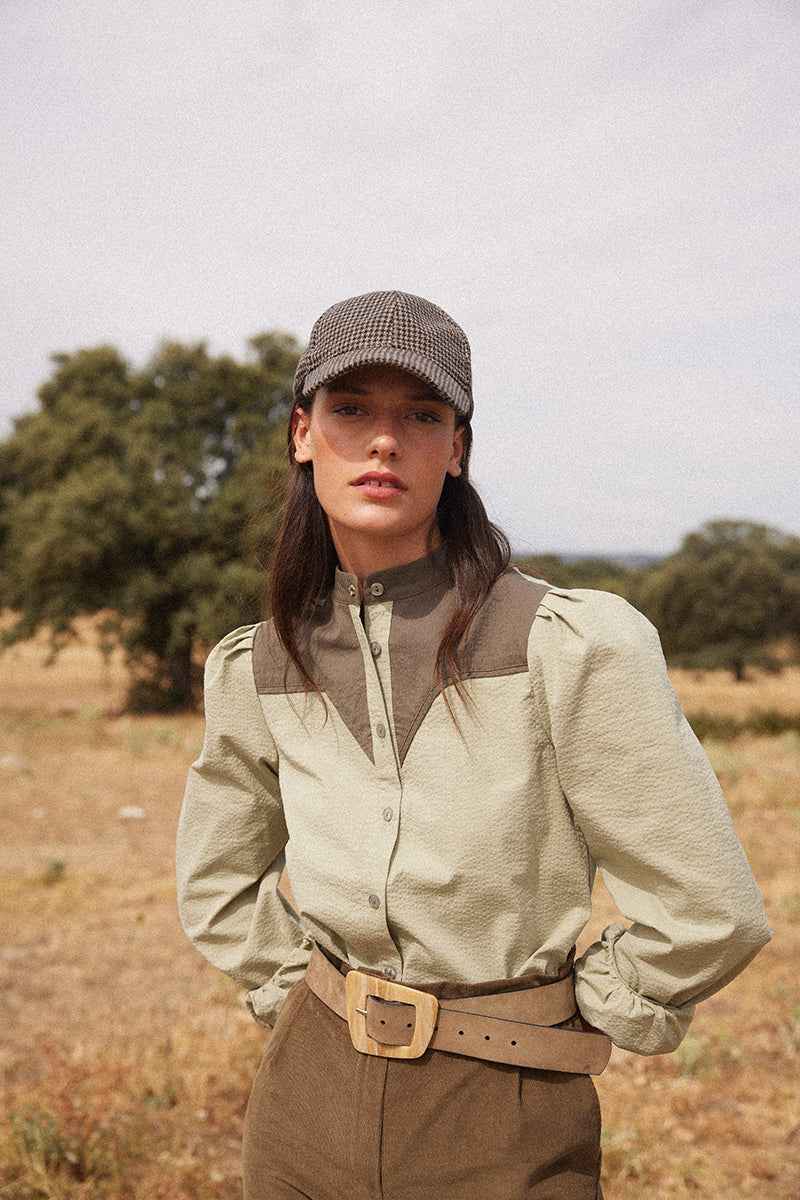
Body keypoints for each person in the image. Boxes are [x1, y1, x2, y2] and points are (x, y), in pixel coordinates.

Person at [176, 290, 771, 1199]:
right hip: (302, 1108)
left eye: (422, 416)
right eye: (351, 409)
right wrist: (296, 992)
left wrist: (587, 1007)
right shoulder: (259, 664)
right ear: (302, 433)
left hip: (506, 1115)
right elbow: (216, 878)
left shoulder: (565, 645)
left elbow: (710, 909)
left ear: (456, 449)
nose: (385, 441)